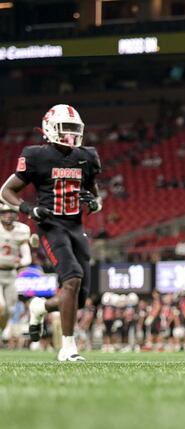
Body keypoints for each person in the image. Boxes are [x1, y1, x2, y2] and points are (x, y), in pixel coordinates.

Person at [1, 104, 102, 362]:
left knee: (79, 299)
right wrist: (28, 209)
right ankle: (68, 347)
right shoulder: (37, 155)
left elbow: (94, 193)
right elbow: (7, 191)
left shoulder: (87, 156)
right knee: (72, 279)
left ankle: (40, 307)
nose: (70, 135)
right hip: (50, 225)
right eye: (64, 129)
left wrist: (94, 202)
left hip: (75, 226)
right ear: (49, 129)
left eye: (73, 130)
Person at [0, 203, 32, 329]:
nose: (8, 215)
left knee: (10, 310)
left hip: (11, 273)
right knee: (0, 305)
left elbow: (27, 256)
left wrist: (22, 262)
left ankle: (1, 334)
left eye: (11, 212)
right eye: (5, 212)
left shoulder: (21, 230)